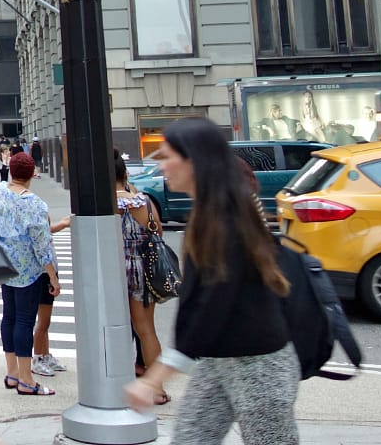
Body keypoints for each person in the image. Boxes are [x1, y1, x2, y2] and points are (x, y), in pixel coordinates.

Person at [123, 117, 298, 444]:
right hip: (219, 358)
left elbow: (212, 304)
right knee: (190, 438)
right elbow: (198, 304)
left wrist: (155, 376)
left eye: (166, 156)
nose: (161, 167)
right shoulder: (209, 212)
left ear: (194, 161)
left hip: (258, 365)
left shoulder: (227, 217)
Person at [0, 152, 59, 396]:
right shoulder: (36, 204)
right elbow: (42, 244)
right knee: (25, 321)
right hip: (27, 269)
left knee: (9, 317)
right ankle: (27, 380)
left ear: (10, 171)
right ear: (31, 175)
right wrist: (52, 275)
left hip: (4, 265)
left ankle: (12, 373)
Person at [114, 151, 168, 404]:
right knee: (146, 329)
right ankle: (157, 387)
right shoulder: (142, 201)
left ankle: (116, 382)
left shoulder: (107, 204)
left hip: (114, 270)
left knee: (114, 329)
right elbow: (158, 231)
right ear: (124, 175)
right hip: (143, 267)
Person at [31, 213, 72, 377]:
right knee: (43, 322)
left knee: (44, 322)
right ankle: (38, 358)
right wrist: (53, 278)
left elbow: (50, 230)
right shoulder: (40, 239)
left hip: (45, 276)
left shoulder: (43, 234)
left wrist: (63, 223)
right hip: (44, 277)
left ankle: (45, 355)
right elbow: (43, 255)